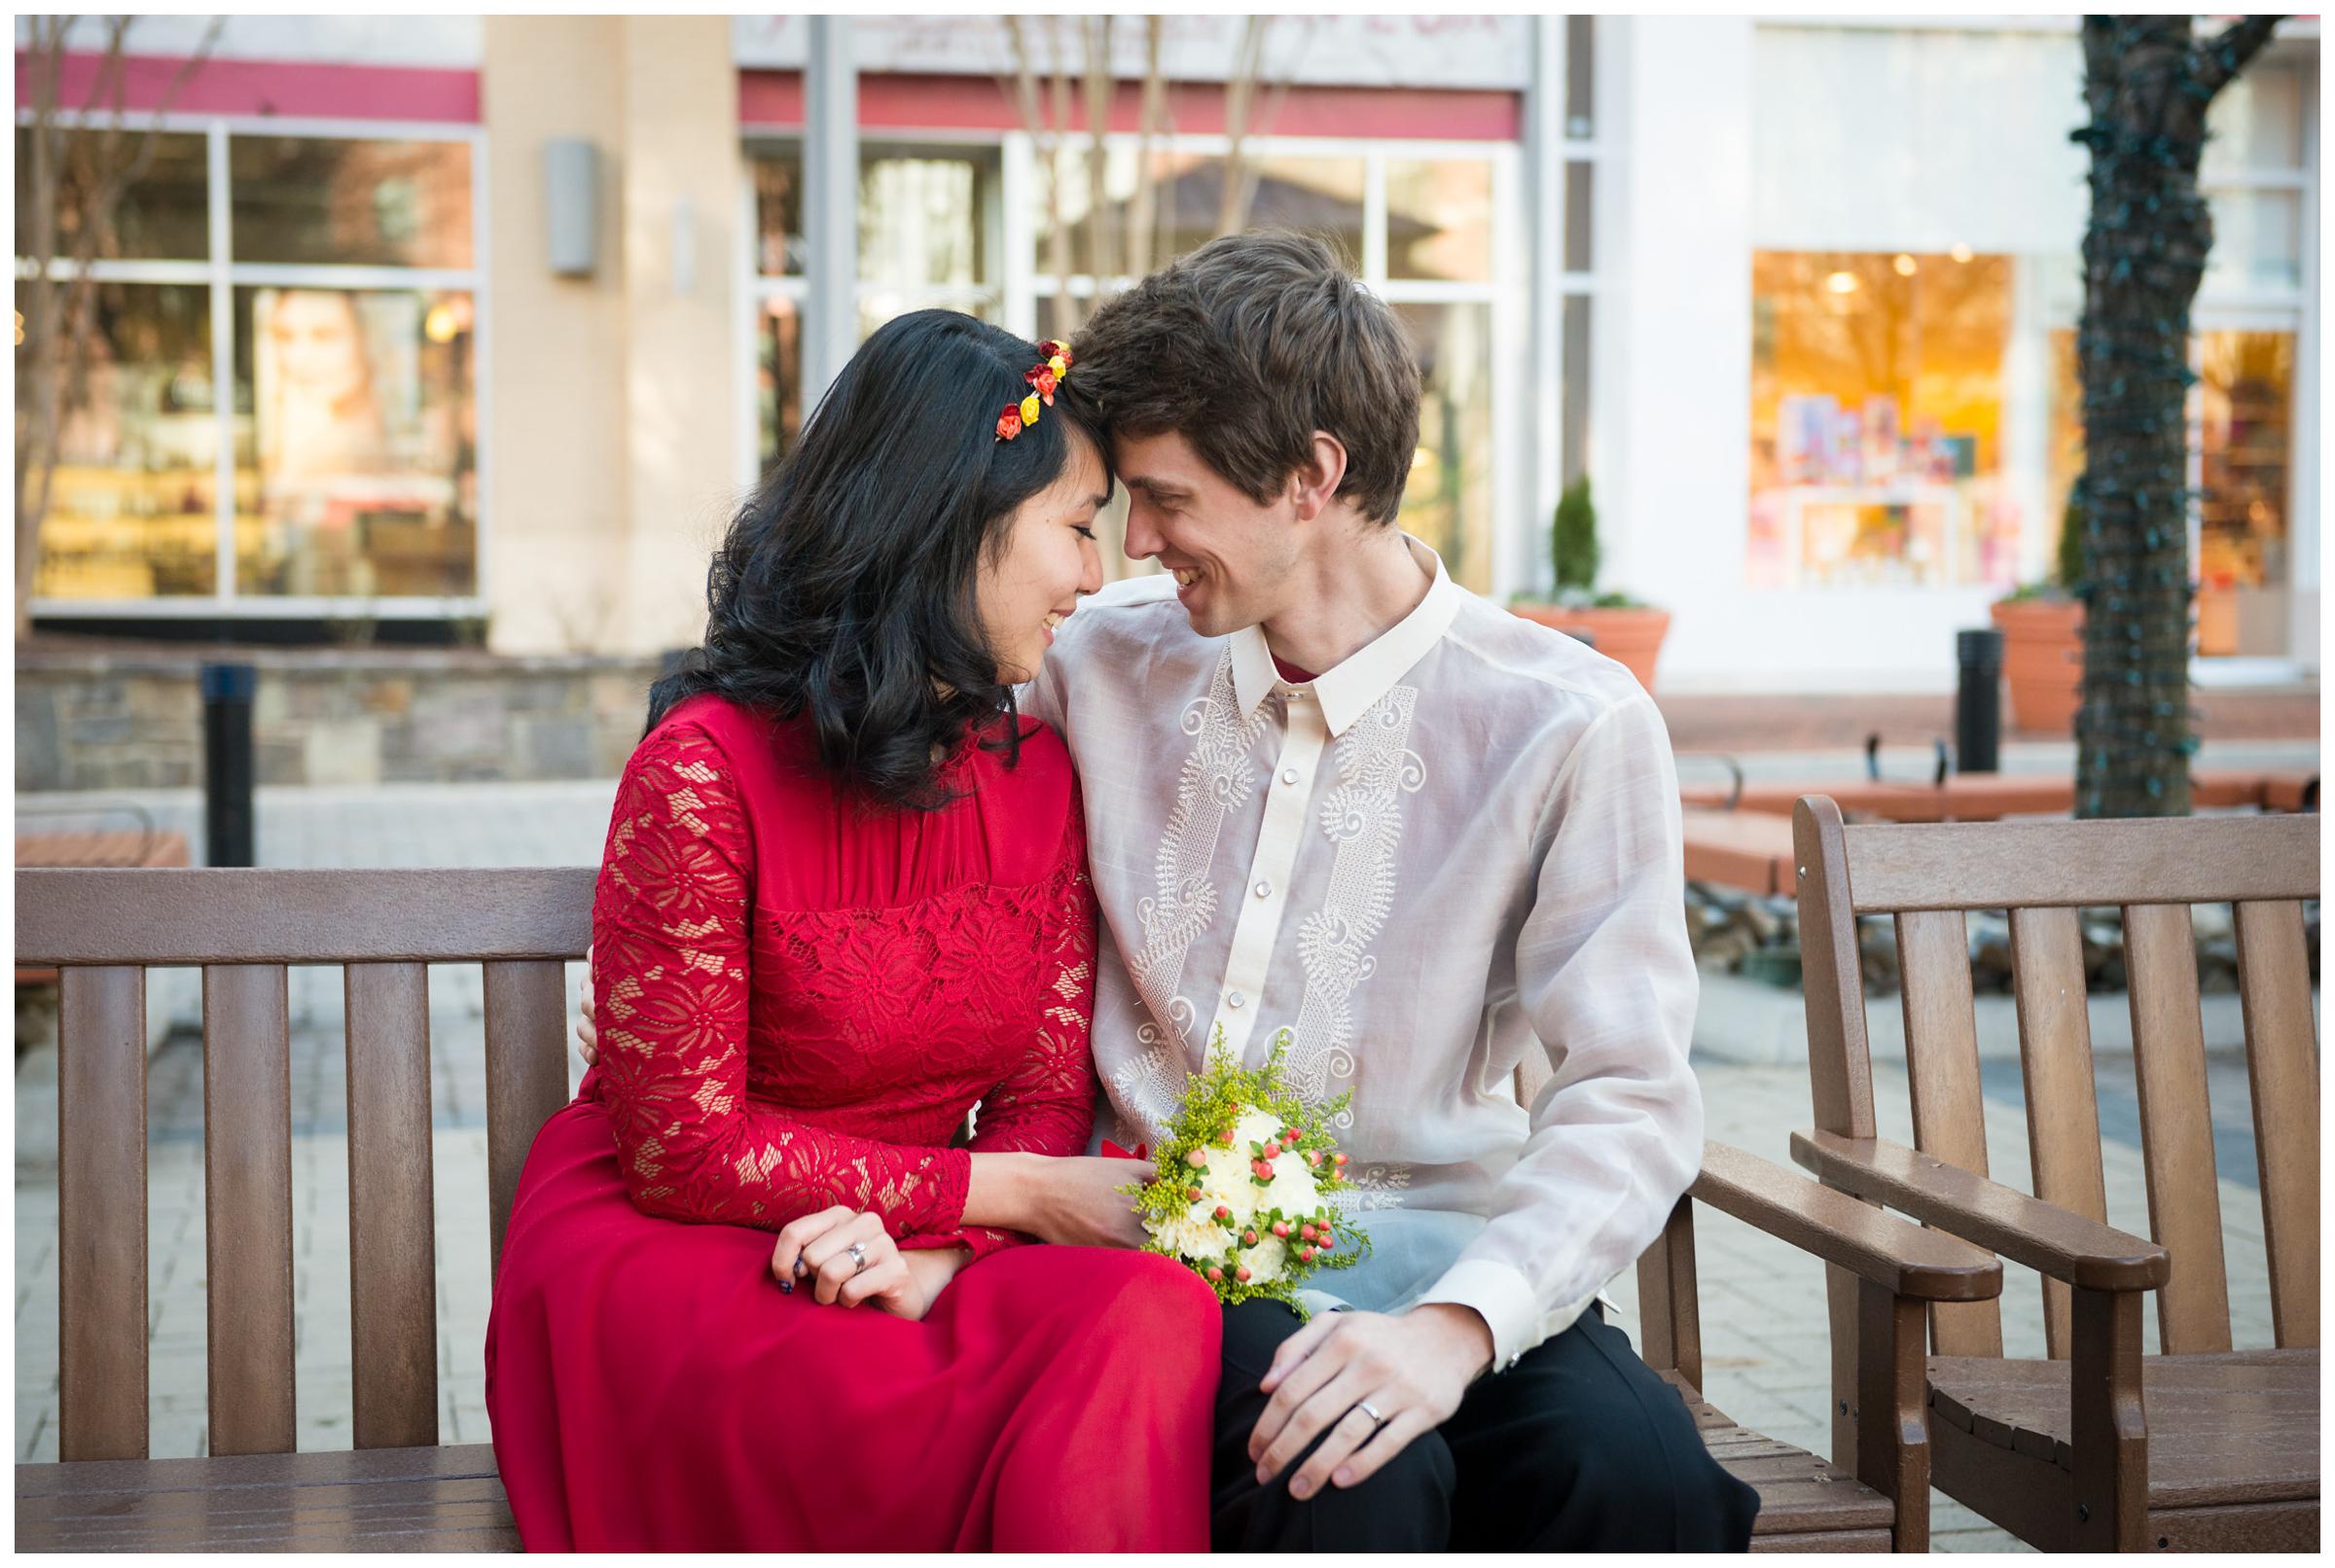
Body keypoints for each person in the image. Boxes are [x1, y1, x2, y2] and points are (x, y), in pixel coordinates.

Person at [580, 233, 1761, 1550]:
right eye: (1111, 510)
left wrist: (1454, 1330)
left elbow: (1633, 1096)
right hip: (1160, 1265)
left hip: (1448, 1259)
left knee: (1639, 1477)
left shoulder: (1567, 723)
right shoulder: (1088, 669)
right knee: (1348, 1486)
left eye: (1164, 499)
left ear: (1312, 477)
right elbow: (865, 710)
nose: (1131, 547)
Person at [485, 310, 1223, 1552]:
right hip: (686, 1247)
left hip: (919, 1238)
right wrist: (1014, 1194)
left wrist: (954, 1249)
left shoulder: (1037, 775)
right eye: (1079, 525)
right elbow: (682, 1148)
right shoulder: (702, 775)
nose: (1099, 576)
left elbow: (1046, 1094)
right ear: (954, 523)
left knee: (1154, 1313)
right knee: (879, 1395)